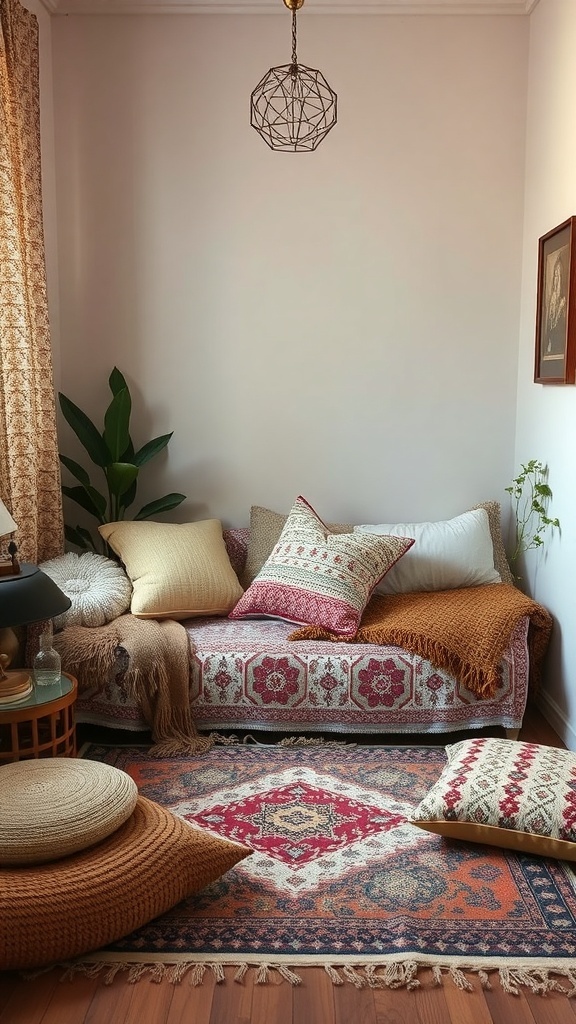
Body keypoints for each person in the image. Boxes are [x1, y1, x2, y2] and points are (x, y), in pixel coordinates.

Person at [544, 247, 568, 357]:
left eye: (559, 276)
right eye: (555, 276)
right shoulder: (553, 301)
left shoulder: (564, 302)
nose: (556, 280)